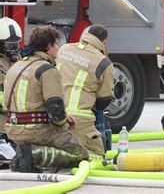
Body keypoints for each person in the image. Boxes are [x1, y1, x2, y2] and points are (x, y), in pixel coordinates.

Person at [4, 26, 88, 173]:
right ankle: (34, 155)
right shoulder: (47, 70)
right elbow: (56, 111)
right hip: (38, 130)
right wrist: (63, 123)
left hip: (13, 129)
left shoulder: (16, 66)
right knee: (81, 156)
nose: (59, 47)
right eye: (57, 44)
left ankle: (24, 156)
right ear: (49, 47)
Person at [56, 24, 114, 156]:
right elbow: (104, 100)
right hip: (79, 122)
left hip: (55, 116)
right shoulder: (104, 63)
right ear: (103, 42)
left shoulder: (63, 50)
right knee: (98, 157)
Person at [0, 17, 22, 133]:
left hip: (17, 115)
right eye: (9, 46)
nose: (13, 50)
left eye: (15, 45)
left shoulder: (19, 58)